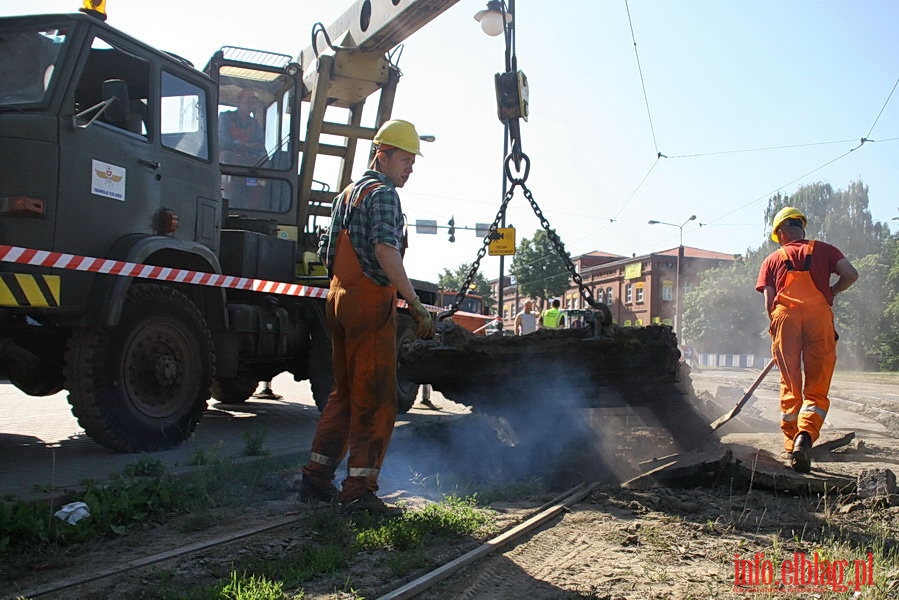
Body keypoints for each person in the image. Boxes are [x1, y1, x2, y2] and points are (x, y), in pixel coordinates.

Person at [298, 119, 435, 516]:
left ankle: (315, 479)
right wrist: (413, 301)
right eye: (405, 159)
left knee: (342, 395)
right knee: (375, 397)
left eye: (413, 161)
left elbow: (327, 251)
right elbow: (385, 250)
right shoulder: (384, 195)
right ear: (383, 154)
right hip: (368, 302)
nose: (409, 167)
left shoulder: (347, 195)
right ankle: (358, 491)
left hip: (338, 299)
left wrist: (347, 287)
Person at [755, 207, 858, 474]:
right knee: (817, 384)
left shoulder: (772, 259)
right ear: (802, 228)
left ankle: (791, 443)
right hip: (819, 316)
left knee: (790, 383)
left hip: (785, 317)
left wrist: (779, 330)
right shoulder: (826, 249)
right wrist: (830, 293)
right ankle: (806, 436)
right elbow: (851, 274)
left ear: (780, 233)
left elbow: (769, 301)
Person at [219, 88, 266, 166]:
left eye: (253, 103)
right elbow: (223, 140)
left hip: (248, 164)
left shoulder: (255, 124)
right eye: (248, 102)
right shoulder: (225, 117)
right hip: (226, 166)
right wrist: (243, 145)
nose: (250, 105)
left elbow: (260, 146)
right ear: (238, 102)